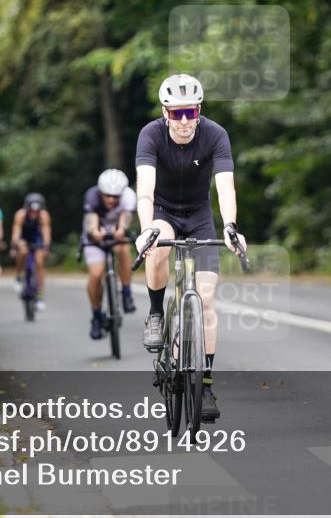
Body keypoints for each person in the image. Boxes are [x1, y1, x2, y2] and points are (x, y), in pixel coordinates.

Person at [133, 73, 247, 422]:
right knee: (159, 247)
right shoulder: (150, 135)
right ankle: (155, 313)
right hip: (163, 212)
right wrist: (146, 228)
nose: (184, 122)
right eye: (177, 113)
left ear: (199, 110)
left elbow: (225, 187)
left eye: (191, 113)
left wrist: (230, 226)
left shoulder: (215, 135)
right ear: (165, 112)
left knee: (207, 298)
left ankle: (206, 384)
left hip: (199, 215)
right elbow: (145, 191)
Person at [82, 169, 138, 340]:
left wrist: (121, 229)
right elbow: (91, 220)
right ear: (101, 192)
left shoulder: (129, 195)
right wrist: (94, 231)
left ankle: (126, 292)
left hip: (116, 233)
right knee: (96, 274)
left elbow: (126, 217)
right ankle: (96, 316)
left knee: (122, 249)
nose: (112, 200)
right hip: (95, 236)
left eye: (116, 196)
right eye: (108, 196)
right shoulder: (92, 195)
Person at [11, 193, 52, 307]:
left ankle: (40, 295)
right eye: (32, 210)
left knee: (39, 262)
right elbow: (16, 233)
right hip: (24, 237)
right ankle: (18, 276)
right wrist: (17, 243)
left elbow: (46, 232)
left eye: (37, 211)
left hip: (36, 238)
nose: (34, 213)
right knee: (22, 252)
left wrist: (46, 246)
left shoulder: (44, 215)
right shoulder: (20, 215)